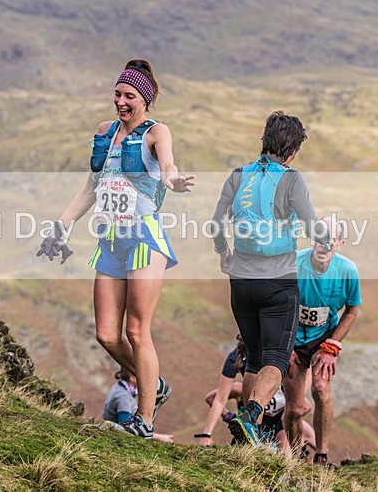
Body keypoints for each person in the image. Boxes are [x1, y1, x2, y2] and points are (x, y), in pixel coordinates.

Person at [37, 60, 195, 439]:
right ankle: (153, 383)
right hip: (109, 242)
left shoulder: (157, 132)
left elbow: (169, 165)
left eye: (130, 96)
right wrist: (60, 226)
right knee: (107, 335)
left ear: (146, 100)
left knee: (137, 331)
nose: (121, 102)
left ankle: (144, 419)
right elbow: (90, 188)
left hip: (144, 241)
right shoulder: (104, 133)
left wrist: (172, 181)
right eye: (118, 94)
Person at [211, 111, 330, 446]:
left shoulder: (238, 175)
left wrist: (223, 253)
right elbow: (311, 225)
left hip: (241, 282)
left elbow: (216, 222)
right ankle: (250, 418)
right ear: (292, 152)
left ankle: (245, 439)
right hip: (277, 282)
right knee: (277, 359)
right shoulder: (291, 179)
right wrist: (326, 238)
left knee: (255, 357)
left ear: (264, 141)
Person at [283, 216, 361, 467]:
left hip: (323, 338)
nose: (325, 244)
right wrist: (284, 345)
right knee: (294, 409)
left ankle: (321, 455)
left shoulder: (347, 270)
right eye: (320, 237)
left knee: (320, 389)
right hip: (293, 337)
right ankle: (296, 457)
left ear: (340, 243)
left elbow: (352, 310)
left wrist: (331, 346)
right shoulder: (293, 264)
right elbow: (277, 304)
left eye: (332, 239)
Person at [197, 336, 316, 452]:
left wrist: (289, 415)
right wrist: (208, 433)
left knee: (287, 454)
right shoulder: (238, 358)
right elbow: (218, 398)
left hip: (277, 423)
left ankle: (313, 457)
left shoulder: (282, 349)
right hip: (255, 420)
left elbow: (306, 372)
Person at [103, 368, 175, 443]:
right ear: (131, 378)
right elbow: (127, 428)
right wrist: (158, 437)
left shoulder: (119, 387)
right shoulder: (123, 398)